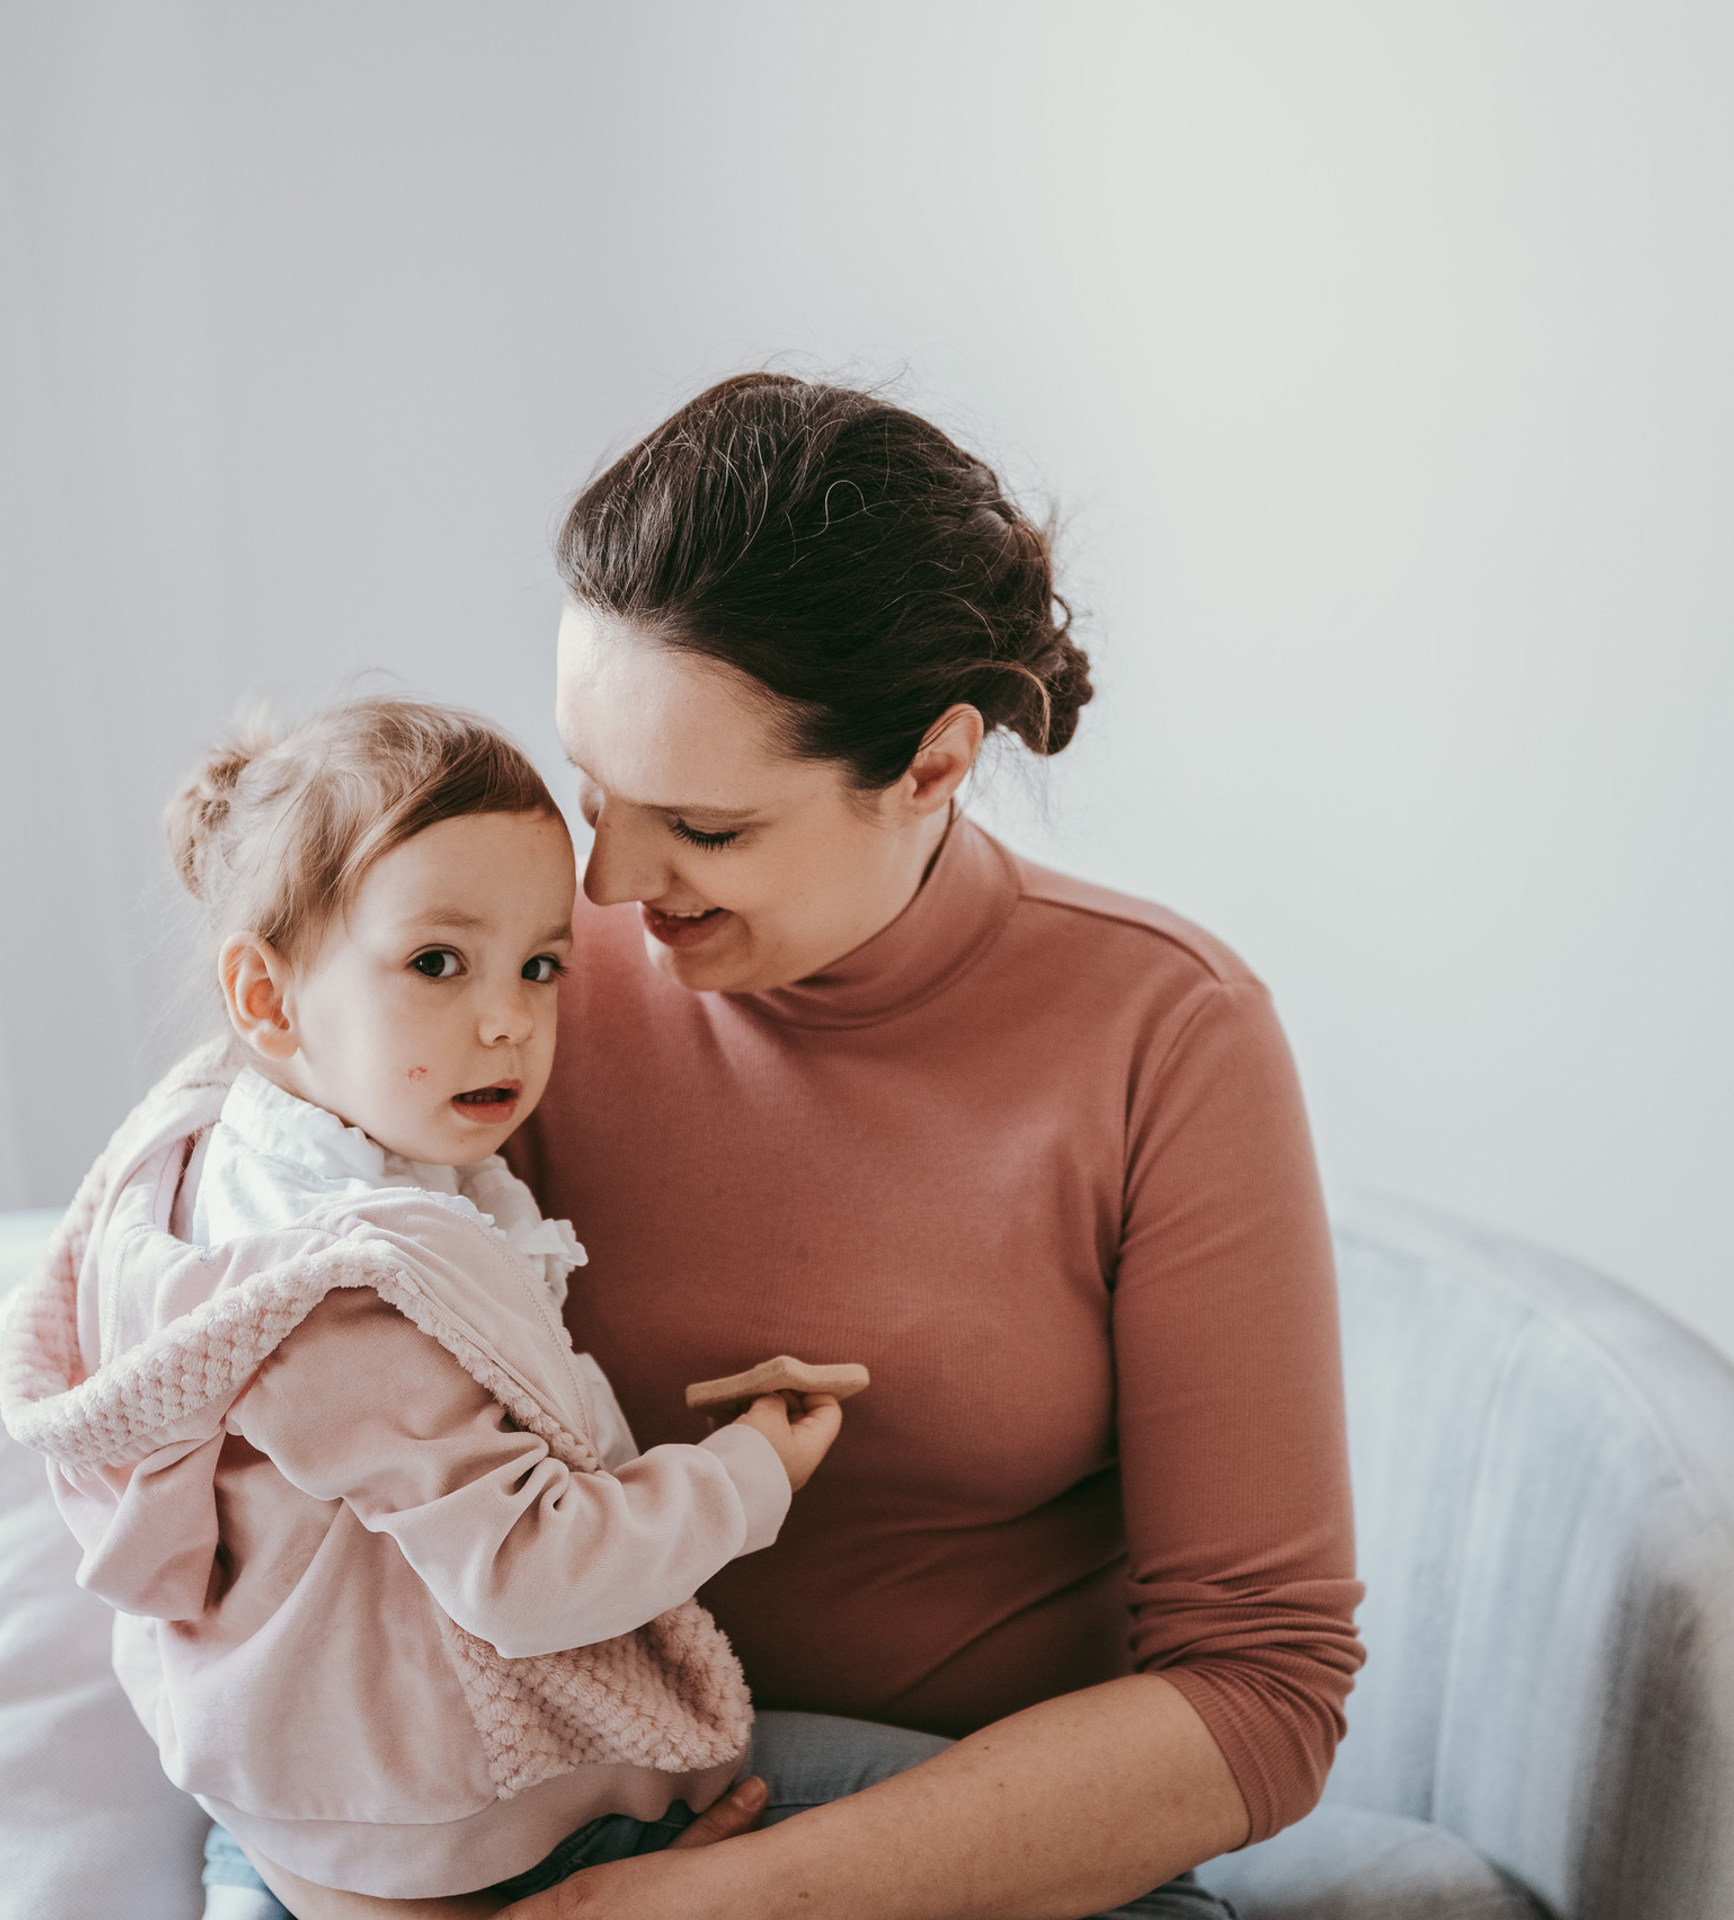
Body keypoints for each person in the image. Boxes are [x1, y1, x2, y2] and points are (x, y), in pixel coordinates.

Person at [488, 372, 1366, 1918]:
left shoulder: (1168, 1037)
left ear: (935, 767)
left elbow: (1263, 1694)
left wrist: (728, 1906)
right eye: (590, 795)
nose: (610, 883)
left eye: (705, 830)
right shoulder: (504, 984)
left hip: (957, 1851)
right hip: (543, 1810)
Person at [0, 697, 849, 1918]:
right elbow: (528, 1571)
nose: (508, 1018)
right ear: (268, 999)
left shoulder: (204, 1148)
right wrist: (751, 1470)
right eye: (438, 963)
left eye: (541, 965)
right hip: (463, 1833)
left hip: (308, 1801)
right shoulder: (340, 1301)